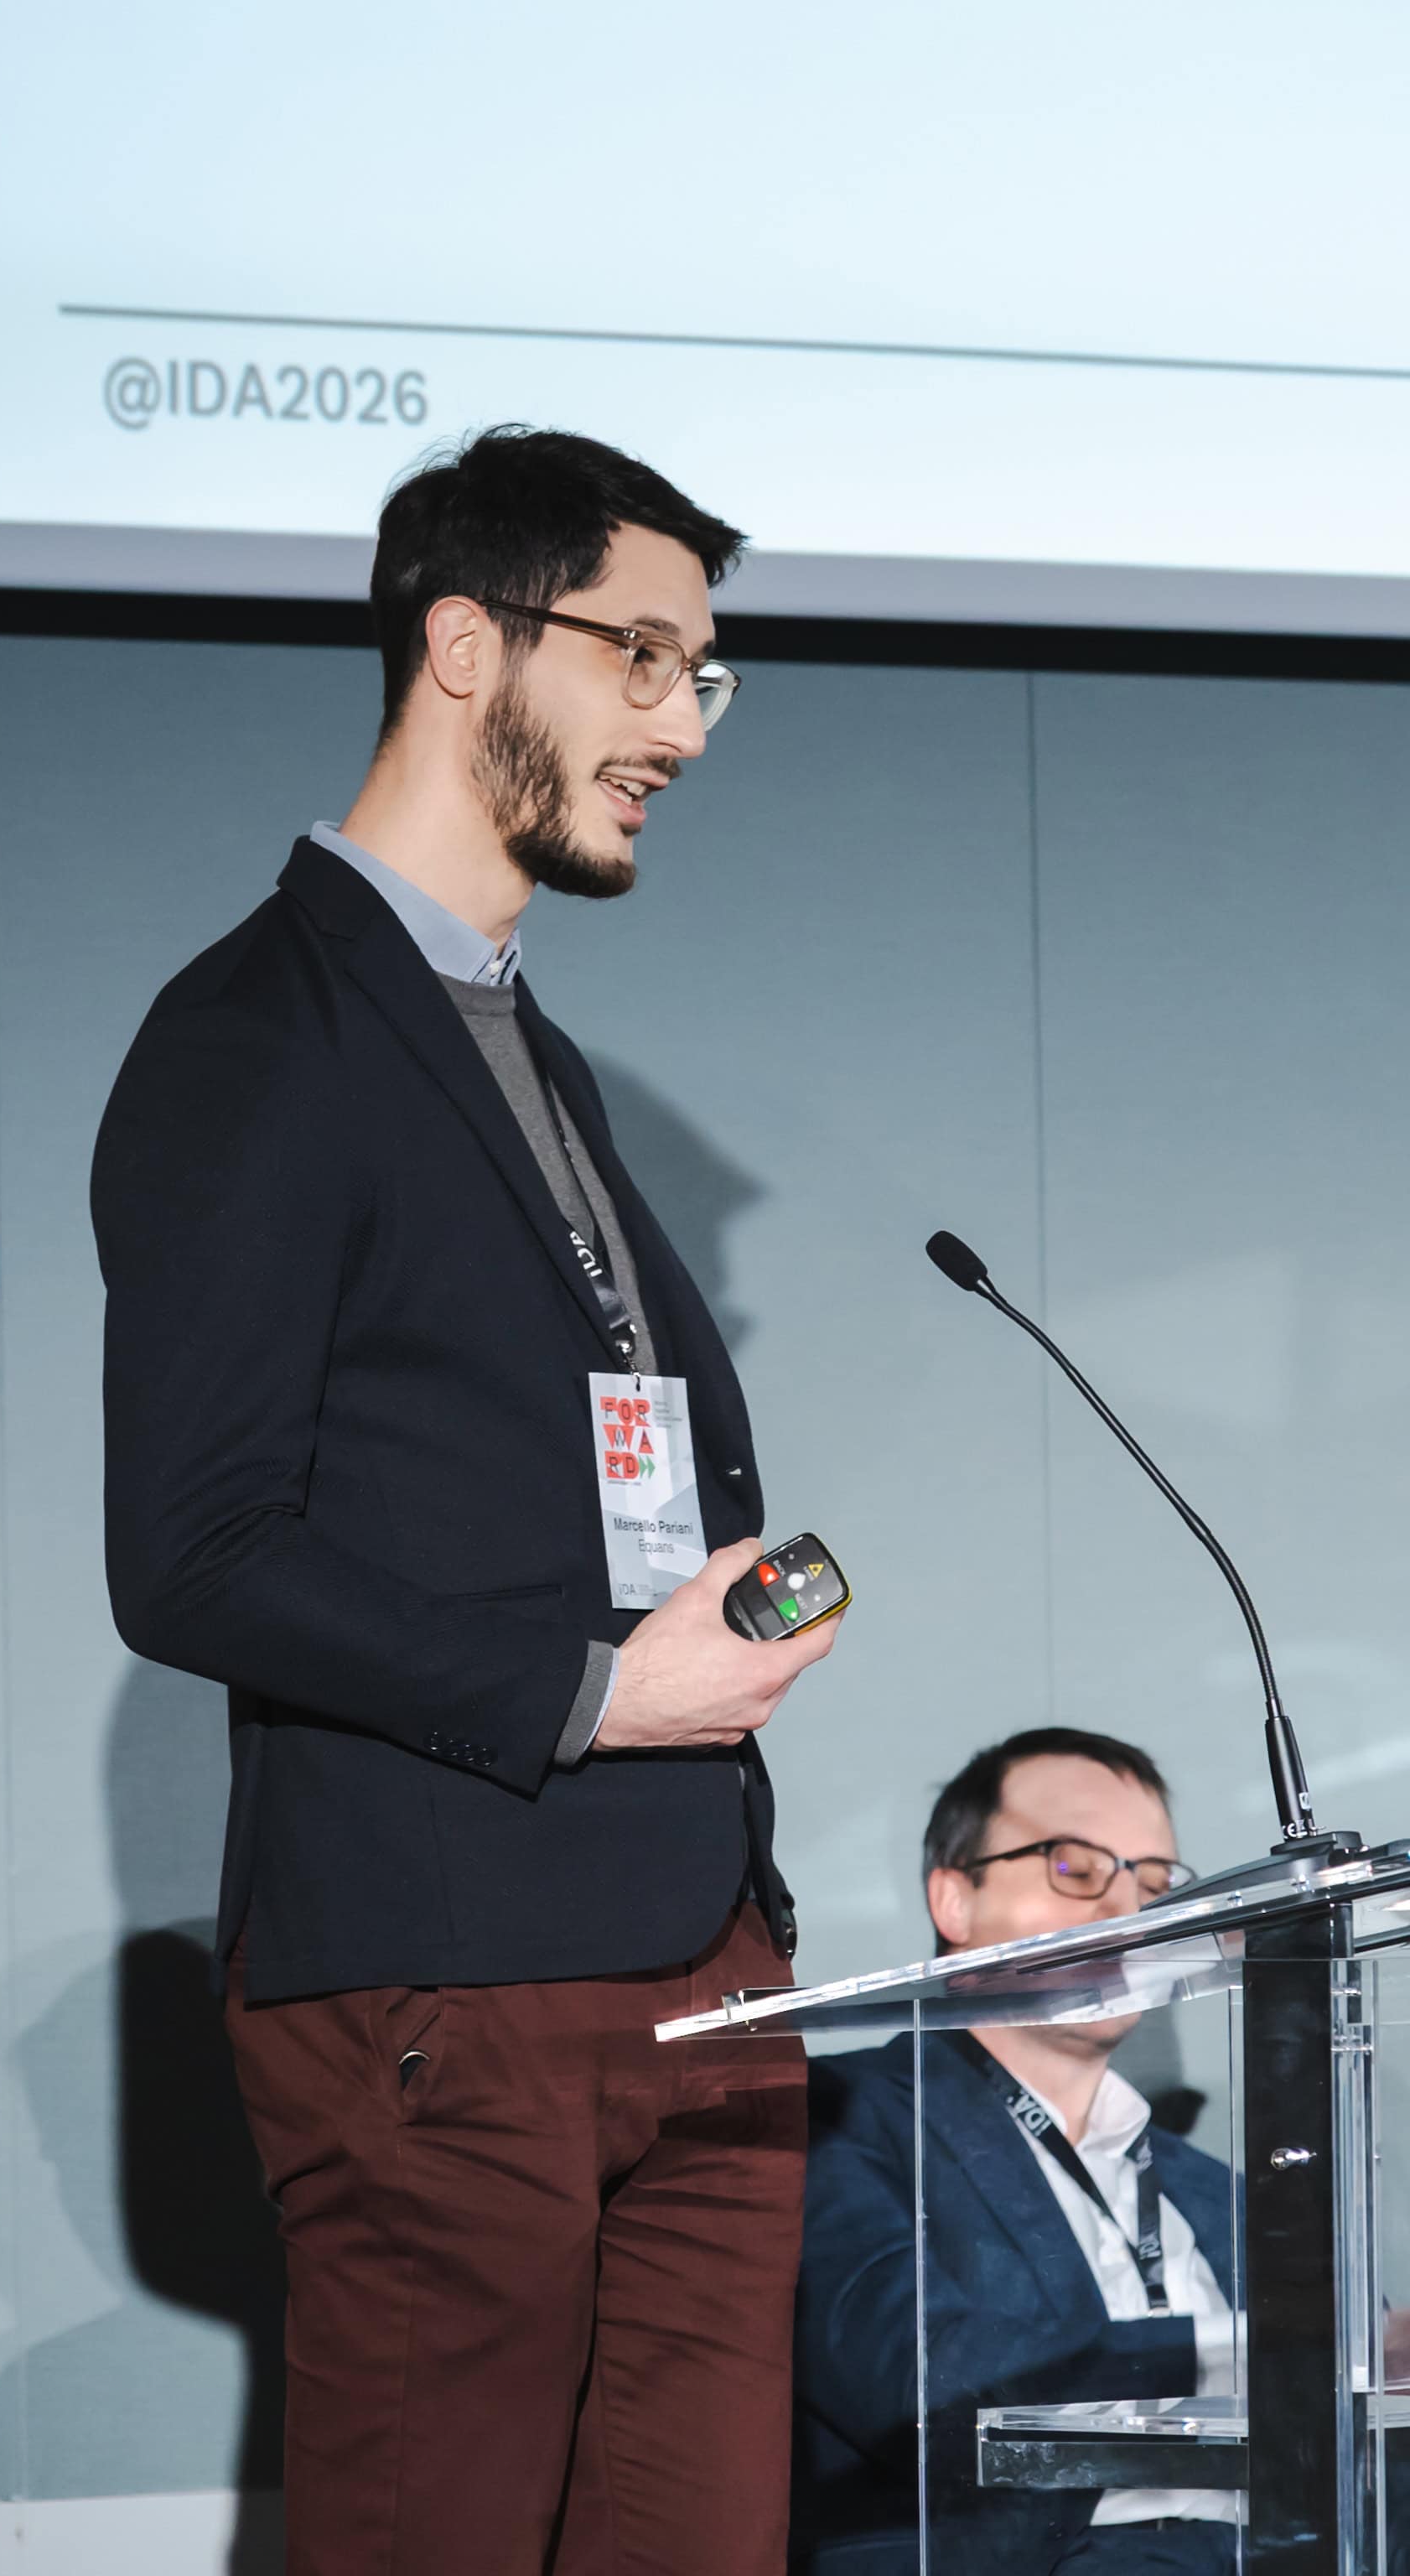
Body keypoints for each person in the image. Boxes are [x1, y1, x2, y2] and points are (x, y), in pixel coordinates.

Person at [91, 425, 840, 2576]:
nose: (681, 724)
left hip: (697, 1965)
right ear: (460, 642)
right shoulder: (260, 1030)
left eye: (703, 673)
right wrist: (599, 1690)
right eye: (640, 656)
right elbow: (193, 1552)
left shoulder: (529, 1044)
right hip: (452, 1981)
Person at [792, 1727, 1241, 2575]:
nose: (1125, 1912)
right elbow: (919, 2383)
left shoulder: (1219, 2193)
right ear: (953, 1901)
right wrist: (1238, 2354)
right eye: (1075, 1866)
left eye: (1152, 1884)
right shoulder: (844, 2117)